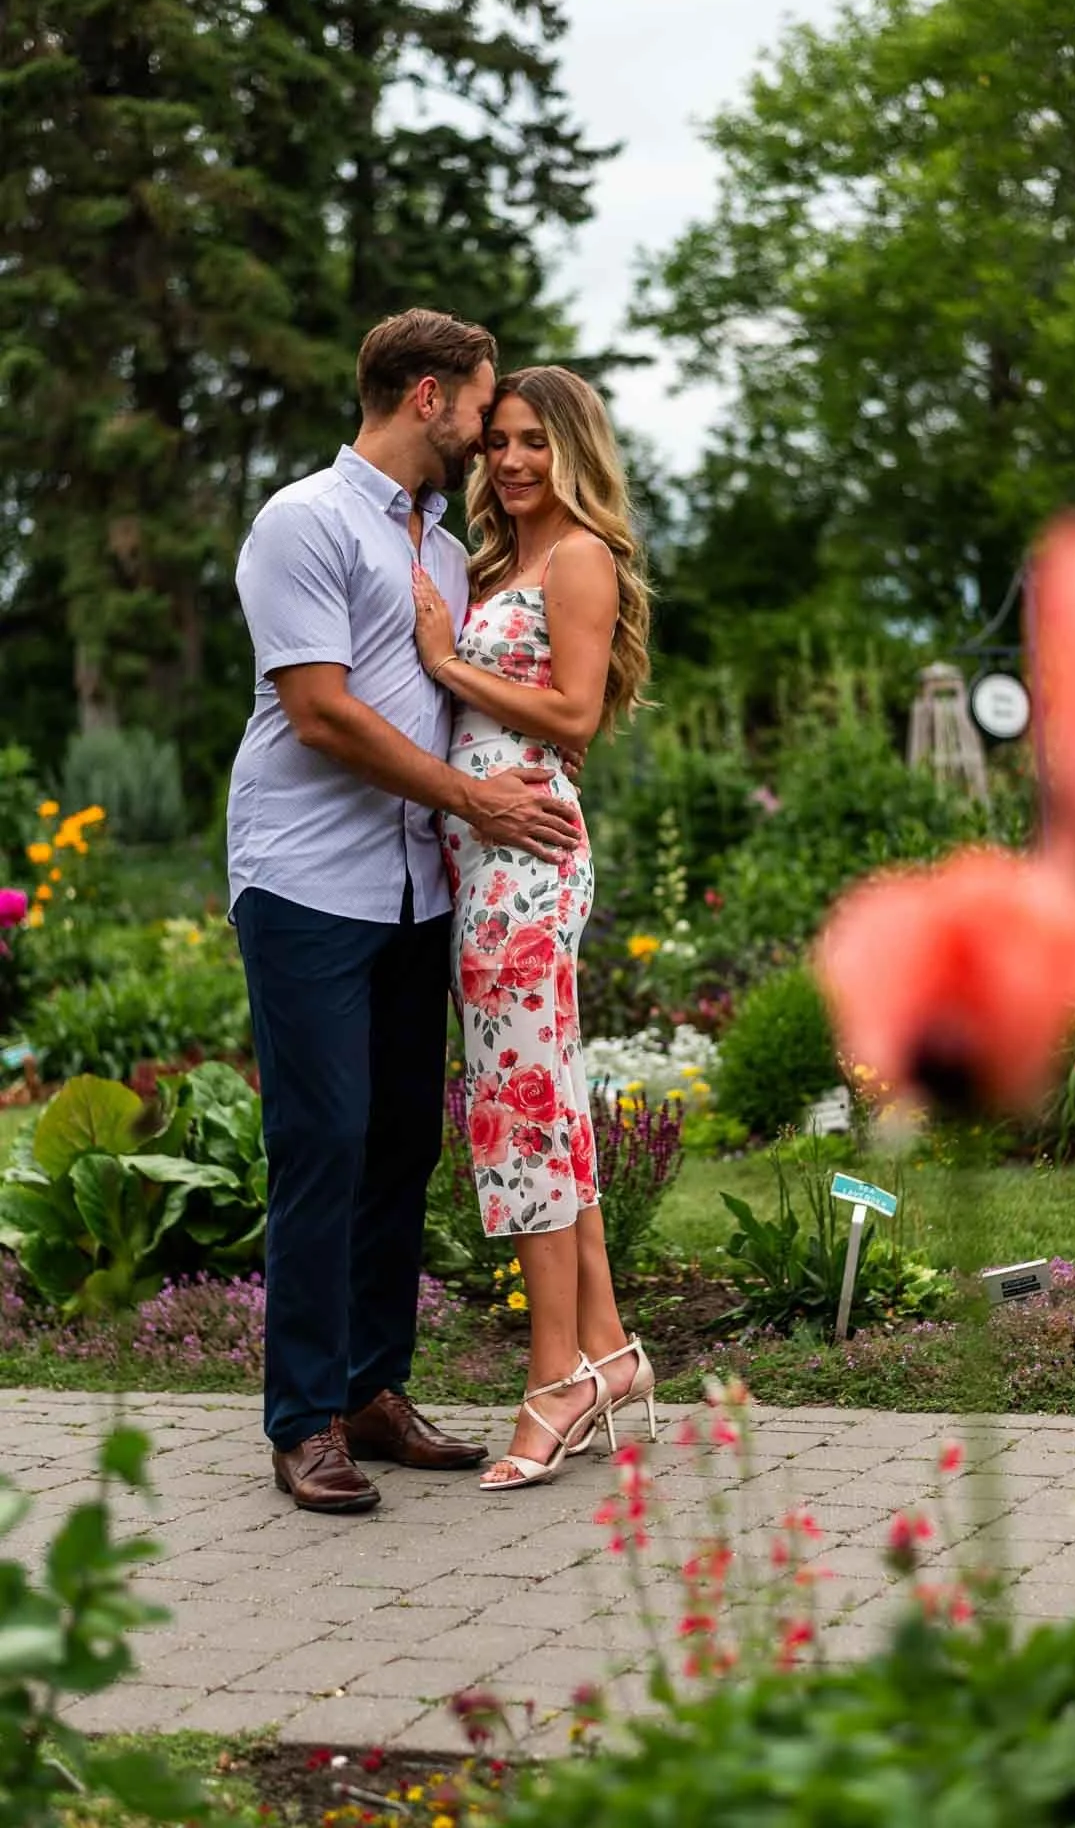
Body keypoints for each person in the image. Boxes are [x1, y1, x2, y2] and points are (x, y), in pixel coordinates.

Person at [228, 311, 583, 1514]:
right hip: (305, 880)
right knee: (322, 1141)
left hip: (416, 887)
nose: (490, 438)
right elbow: (322, 712)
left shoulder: (440, 545)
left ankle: (375, 1390)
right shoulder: (302, 522)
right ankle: (305, 1419)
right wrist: (472, 799)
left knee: (399, 1147)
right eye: (482, 410)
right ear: (428, 396)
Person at [411, 365, 656, 1491]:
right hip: (479, 859)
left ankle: (553, 1380)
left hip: (527, 861)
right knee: (543, 1110)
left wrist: (449, 664)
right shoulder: (490, 561)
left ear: (571, 450)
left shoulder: (576, 558)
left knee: (516, 1119)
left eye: (531, 444)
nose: (508, 462)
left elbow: (572, 711)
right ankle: (610, 1356)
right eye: (497, 442)